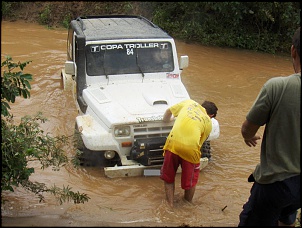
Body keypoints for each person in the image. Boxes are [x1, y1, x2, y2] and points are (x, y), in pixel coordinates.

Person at [238, 27, 300, 226]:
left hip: (277, 184)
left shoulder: (277, 87)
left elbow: (248, 128)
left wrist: (247, 136)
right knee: (287, 217)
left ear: (293, 51)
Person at [160, 99, 218, 207]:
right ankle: (187, 205)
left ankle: (170, 205)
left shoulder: (189, 103)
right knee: (190, 182)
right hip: (190, 149)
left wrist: (166, 121)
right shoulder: (208, 123)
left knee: (168, 177)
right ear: (211, 115)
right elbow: (199, 144)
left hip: (172, 144)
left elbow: (168, 112)